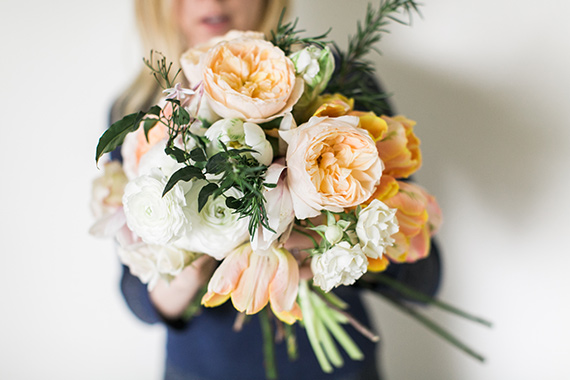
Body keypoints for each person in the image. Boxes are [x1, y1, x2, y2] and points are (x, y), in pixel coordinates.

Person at [111, 1, 442, 379]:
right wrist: (187, 269)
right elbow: (135, 294)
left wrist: (330, 246)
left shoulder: (337, 86)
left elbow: (424, 277)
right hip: (203, 370)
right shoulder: (136, 115)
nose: (212, 1)